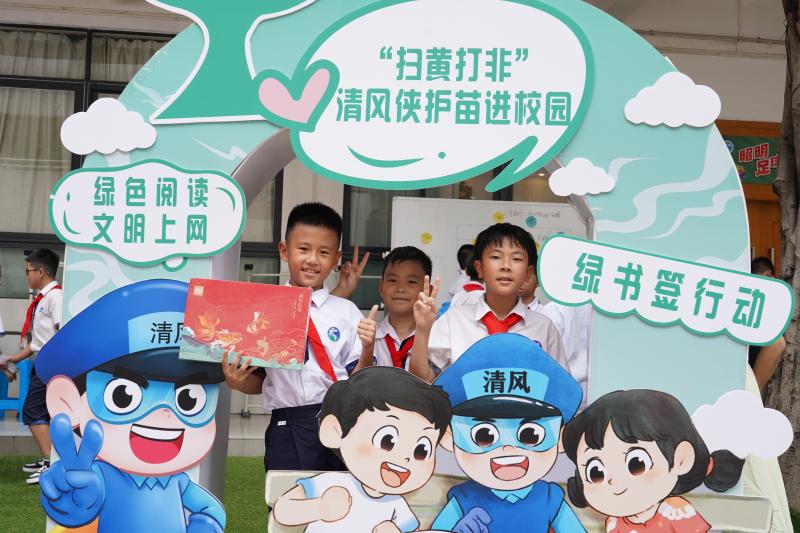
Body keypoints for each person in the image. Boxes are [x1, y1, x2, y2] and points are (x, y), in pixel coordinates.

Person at [35, 279, 226, 532]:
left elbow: (209, 509)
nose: (163, 414)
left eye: (189, 400)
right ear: (68, 402)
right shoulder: (102, 476)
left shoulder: (177, 481)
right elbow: (80, 506)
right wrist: (70, 497)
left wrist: (203, 526)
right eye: (123, 396)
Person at [222, 202, 378, 473]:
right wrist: (237, 381)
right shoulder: (262, 311)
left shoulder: (347, 312)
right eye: (303, 249)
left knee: (342, 496)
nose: (313, 260)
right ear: (284, 250)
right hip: (288, 424)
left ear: (336, 258)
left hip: (342, 422)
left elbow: (359, 381)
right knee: (289, 497)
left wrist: (368, 347)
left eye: (324, 252)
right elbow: (260, 381)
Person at [431, 334, 585, 533]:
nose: (508, 448)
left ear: (560, 437)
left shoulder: (549, 498)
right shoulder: (464, 499)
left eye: (531, 435)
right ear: (449, 437)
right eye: (484, 436)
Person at [272, 366, 452, 532]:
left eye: (421, 451)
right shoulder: (331, 484)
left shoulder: (397, 506)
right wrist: (318, 508)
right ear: (335, 432)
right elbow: (282, 510)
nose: (405, 457)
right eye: (387, 440)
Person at [562, 389, 745, 533]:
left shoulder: (676, 511)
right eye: (596, 473)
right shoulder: (614, 522)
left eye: (636, 464)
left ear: (681, 459)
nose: (613, 480)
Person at [409, 223, 567, 382]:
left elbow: (561, 386)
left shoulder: (544, 327)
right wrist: (422, 329)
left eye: (517, 259)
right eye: (496, 257)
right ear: (479, 268)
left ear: (528, 273)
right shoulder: (454, 320)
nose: (506, 266)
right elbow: (423, 379)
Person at [5, 249, 62, 484]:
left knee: (32, 411)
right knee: (42, 413)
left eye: (28, 271)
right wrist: (13, 359)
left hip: (51, 364)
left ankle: (51, 464)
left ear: (41, 271)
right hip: (43, 361)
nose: (26, 276)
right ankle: (49, 458)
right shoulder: (42, 299)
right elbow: (37, 342)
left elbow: (62, 333)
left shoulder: (55, 298)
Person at [369, 246, 432, 371]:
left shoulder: (438, 337)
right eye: (393, 280)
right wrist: (367, 347)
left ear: (428, 290)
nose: (400, 288)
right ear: (381, 287)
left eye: (411, 282)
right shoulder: (368, 336)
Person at [748, 257, 786, 390]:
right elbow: (777, 345)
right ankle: (750, 396)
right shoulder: (768, 302)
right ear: (769, 275)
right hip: (750, 378)